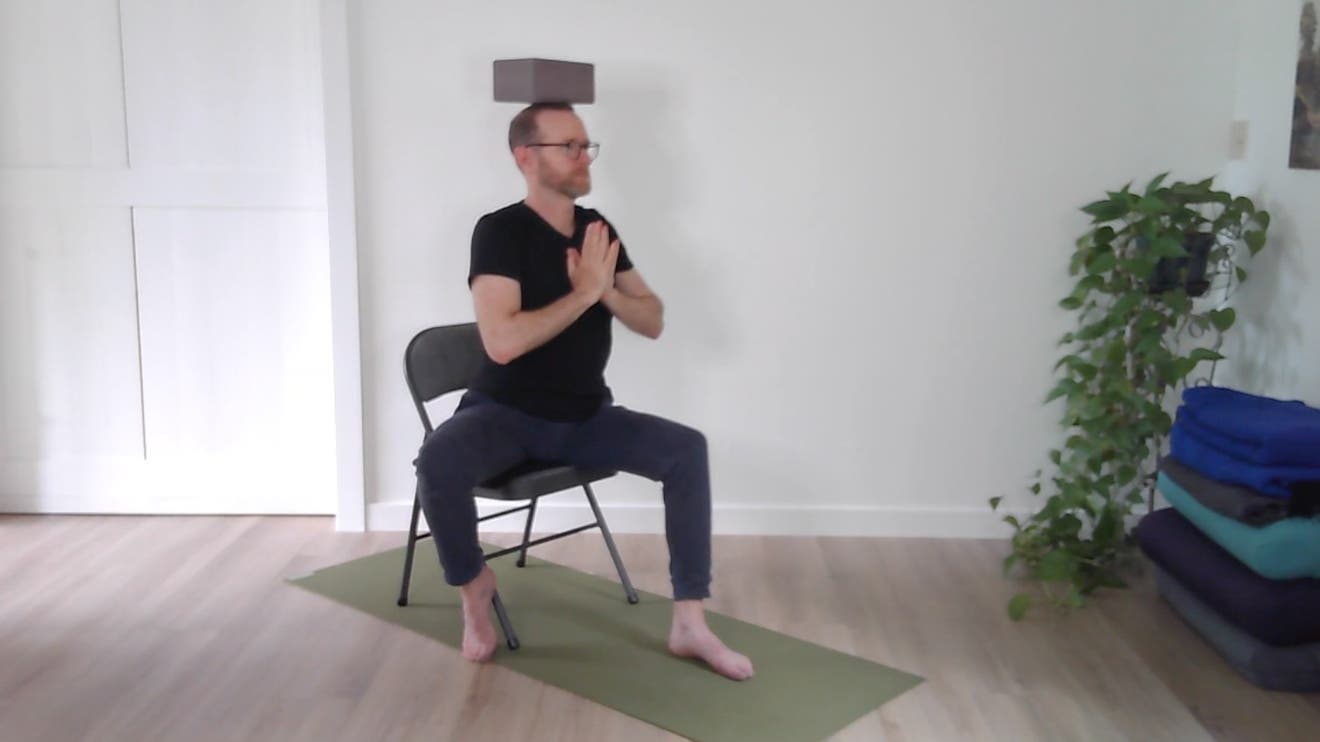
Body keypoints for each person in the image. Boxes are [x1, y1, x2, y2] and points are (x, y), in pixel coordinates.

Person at [412, 102, 754, 681]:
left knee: (686, 450)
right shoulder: (499, 232)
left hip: (586, 418)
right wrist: (583, 294)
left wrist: (607, 291)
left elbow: (652, 319)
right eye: (567, 146)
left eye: (585, 145)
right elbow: (501, 343)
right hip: (504, 415)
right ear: (526, 157)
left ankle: (689, 623)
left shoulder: (598, 232)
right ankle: (474, 588)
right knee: (437, 460)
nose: (583, 157)